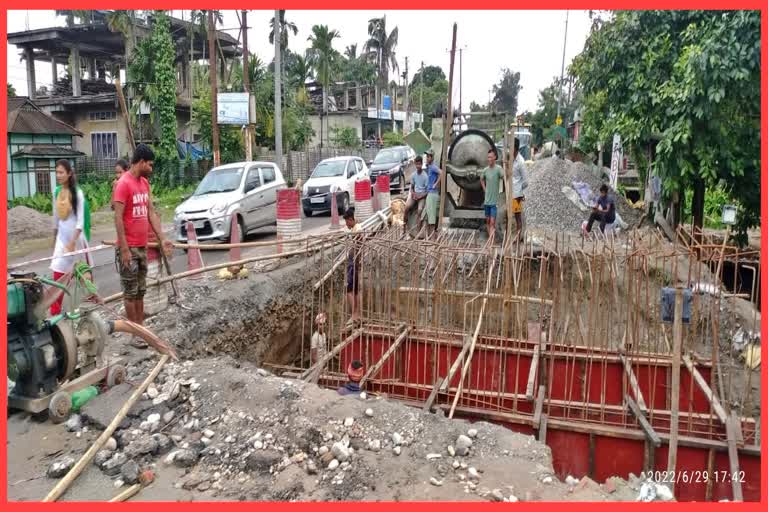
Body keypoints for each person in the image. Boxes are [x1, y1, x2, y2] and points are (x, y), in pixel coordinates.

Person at [112, 144, 172, 348]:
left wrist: (162, 238)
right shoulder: (123, 184)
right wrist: (125, 249)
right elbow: (118, 218)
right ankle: (134, 334)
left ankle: (141, 328)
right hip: (129, 248)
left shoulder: (144, 184)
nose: (151, 169)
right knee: (130, 291)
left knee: (140, 290)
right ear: (141, 162)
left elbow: (151, 213)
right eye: (150, 164)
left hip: (142, 246)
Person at [50, 159, 92, 315]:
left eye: (61, 172)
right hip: (62, 241)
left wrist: (72, 243)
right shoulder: (56, 192)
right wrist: (55, 242)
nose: (58, 175)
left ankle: (90, 309)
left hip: (77, 242)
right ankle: (55, 315)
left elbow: (80, 223)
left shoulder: (78, 194)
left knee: (84, 279)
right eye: (56, 172)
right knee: (58, 277)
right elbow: (55, 220)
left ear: (69, 174)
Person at [479, 148, 504, 240]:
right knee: (488, 221)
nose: (489, 159)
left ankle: (491, 241)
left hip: (494, 201)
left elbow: (504, 176)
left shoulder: (498, 169)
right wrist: (484, 189)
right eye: (488, 157)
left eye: (490, 157)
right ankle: (490, 238)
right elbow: (481, 179)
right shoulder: (485, 170)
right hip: (487, 201)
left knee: (492, 222)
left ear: (495, 158)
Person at [343, 208, 362, 326]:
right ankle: (357, 314)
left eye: (346, 221)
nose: (346, 224)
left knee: (349, 290)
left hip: (353, 263)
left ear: (351, 220)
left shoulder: (358, 231)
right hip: (355, 263)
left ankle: (354, 314)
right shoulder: (356, 229)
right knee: (354, 291)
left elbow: (357, 246)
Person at [402, 155, 429, 237]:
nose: (418, 166)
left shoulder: (425, 176)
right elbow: (412, 187)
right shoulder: (413, 175)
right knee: (406, 207)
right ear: (415, 164)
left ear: (422, 164)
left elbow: (427, 191)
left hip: (422, 196)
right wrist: (413, 194)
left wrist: (420, 196)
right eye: (417, 164)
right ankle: (403, 227)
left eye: (420, 164)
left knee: (420, 210)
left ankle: (417, 230)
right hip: (415, 195)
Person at [510, 138, 528, 242]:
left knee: (517, 217)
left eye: (511, 148)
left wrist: (519, 190)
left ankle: (519, 238)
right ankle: (517, 236)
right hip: (511, 192)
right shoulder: (512, 159)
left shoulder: (520, 162)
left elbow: (526, 181)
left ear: (515, 148)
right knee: (512, 215)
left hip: (517, 194)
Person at [422, 149, 441, 238]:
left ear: (432, 158)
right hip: (430, 193)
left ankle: (432, 237)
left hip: (433, 193)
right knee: (429, 215)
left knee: (432, 216)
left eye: (428, 157)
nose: (427, 158)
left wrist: (436, 184)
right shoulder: (429, 167)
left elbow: (441, 173)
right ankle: (430, 236)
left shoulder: (433, 167)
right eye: (426, 156)